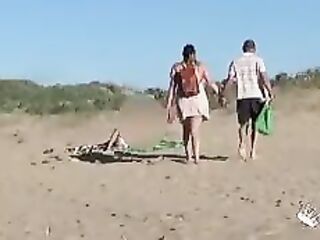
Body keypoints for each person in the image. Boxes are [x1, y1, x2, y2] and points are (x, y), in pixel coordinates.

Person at [220, 39, 274, 161]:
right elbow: (264, 77)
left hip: (242, 95)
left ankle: (242, 144)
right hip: (256, 95)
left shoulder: (235, 61)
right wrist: (270, 91)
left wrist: (224, 94)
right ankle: (253, 151)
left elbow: (230, 79)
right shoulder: (258, 60)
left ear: (243, 49)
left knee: (243, 124)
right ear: (254, 48)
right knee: (255, 124)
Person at [166, 44, 220, 164]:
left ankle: (188, 156)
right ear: (194, 54)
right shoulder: (201, 67)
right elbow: (210, 82)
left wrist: (169, 105)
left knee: (186, 130)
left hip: (183, 101)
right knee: (195, 130)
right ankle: (196, 157)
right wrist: (219, 93)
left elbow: (172, 88)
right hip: (198, 100)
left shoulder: (176, 68)